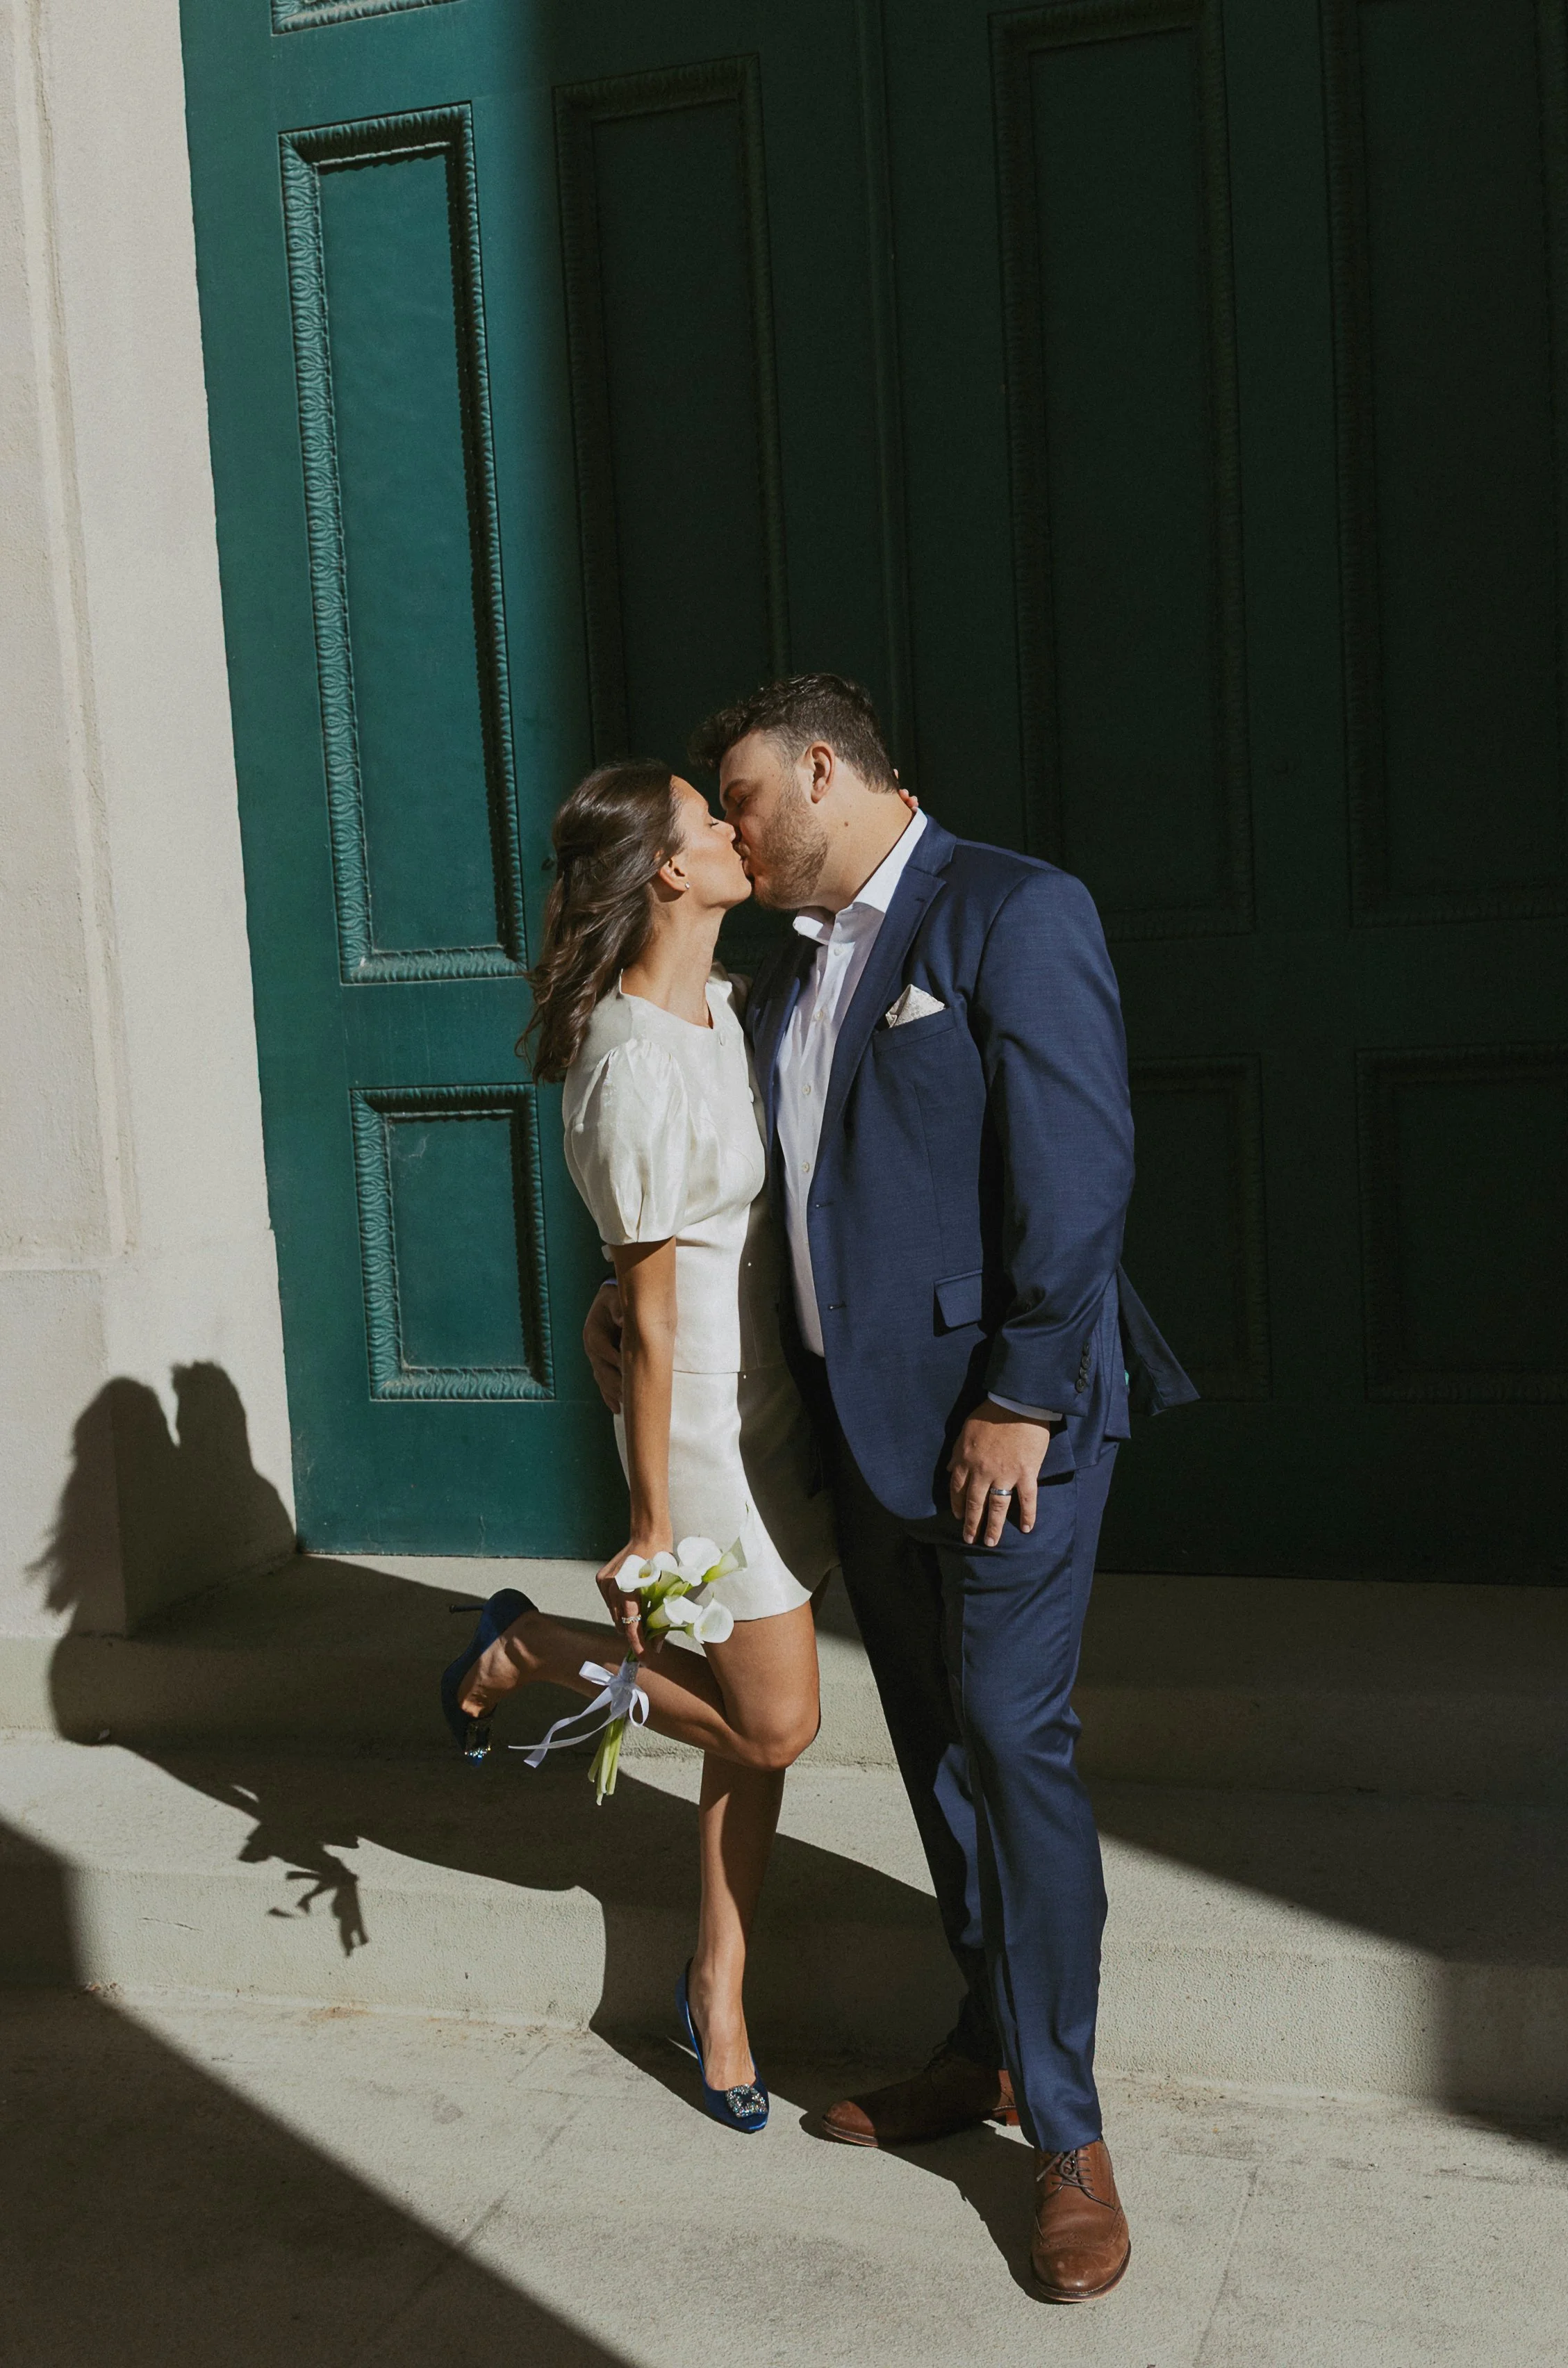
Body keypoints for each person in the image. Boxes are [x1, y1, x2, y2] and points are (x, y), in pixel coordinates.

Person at [584, 676, 1195, 2299]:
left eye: (743, 799)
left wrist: (1017, 1399)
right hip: (860, 1445)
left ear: (823, 767)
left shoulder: (1009, 909)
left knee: (1009, 1738)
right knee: (935, 1755)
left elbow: (1079, 1175)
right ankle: (985, 2046)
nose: (730, 831)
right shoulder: (782, 980)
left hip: (1007, 1432)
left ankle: (1063, 2137)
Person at [440, 759, 836, 2135]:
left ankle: (715, 1987)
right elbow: (655, 1320)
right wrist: (652, 1519)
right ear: (669, 869)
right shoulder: (621, 1062)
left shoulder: (725, 1003)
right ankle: (536, 1651)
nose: (740, 832)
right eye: (708, 820)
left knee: (747, 1734)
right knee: (778, 1717)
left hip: (775, 1406)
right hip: (701, 1431)